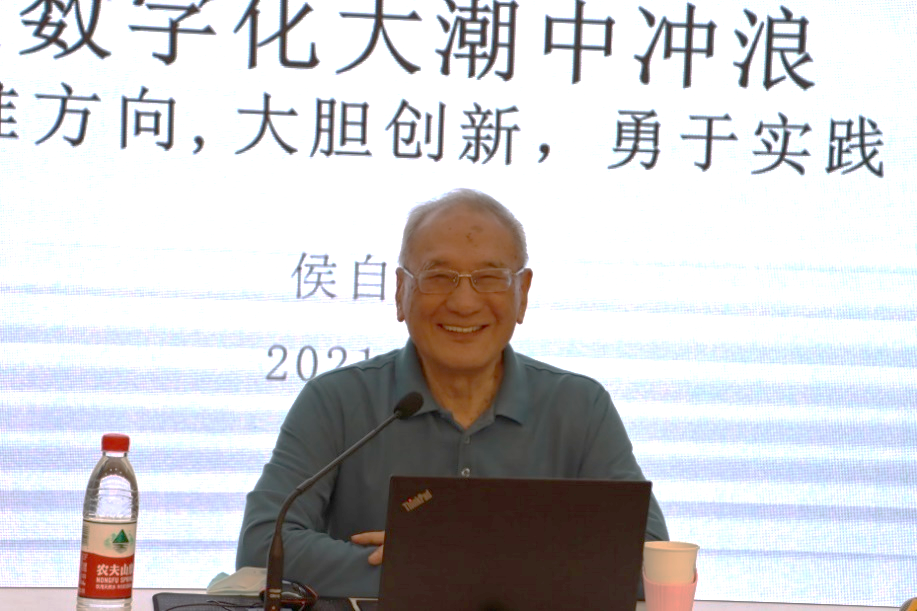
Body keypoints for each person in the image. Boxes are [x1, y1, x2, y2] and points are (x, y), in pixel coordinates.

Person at [236, 188, 669, 597]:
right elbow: (263, 547)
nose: (464, 303)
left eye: (489, 278)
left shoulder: (580, 407)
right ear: (401, 291)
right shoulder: (336, 401)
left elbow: (653, 563)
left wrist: (447, 562)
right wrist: (441, 568)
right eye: (439, 277)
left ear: (522, 294)